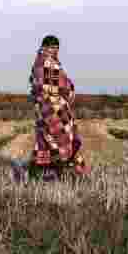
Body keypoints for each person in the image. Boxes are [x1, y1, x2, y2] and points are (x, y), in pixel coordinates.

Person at [27, 35, 87, 178]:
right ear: (48, 47)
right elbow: (62, 85)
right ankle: (67, 172)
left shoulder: (37, 64)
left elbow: (37, 87)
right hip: (54, 110)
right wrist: (69, 90)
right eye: (54, 48)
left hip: (43, 110)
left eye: (57, 48)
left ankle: (40, 173)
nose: (56, 51)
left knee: (47, 140)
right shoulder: (49, 64)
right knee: (65, 138)